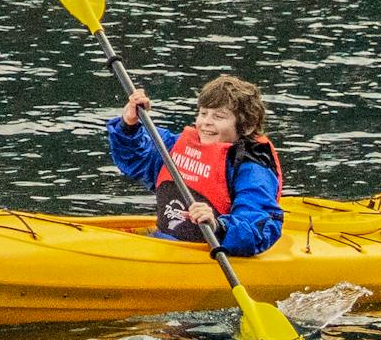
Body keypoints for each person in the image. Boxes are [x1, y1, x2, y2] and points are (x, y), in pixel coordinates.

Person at [108, 71, 285, 255]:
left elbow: (260, 227)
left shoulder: (252, 168)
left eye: (219, 116)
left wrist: (218, 225)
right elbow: (134, 159)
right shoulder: (177, 146)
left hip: (209, 253)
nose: (206, 122)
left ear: (246, 126)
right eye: (203, 113)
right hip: (165, 242)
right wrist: (129, 125)